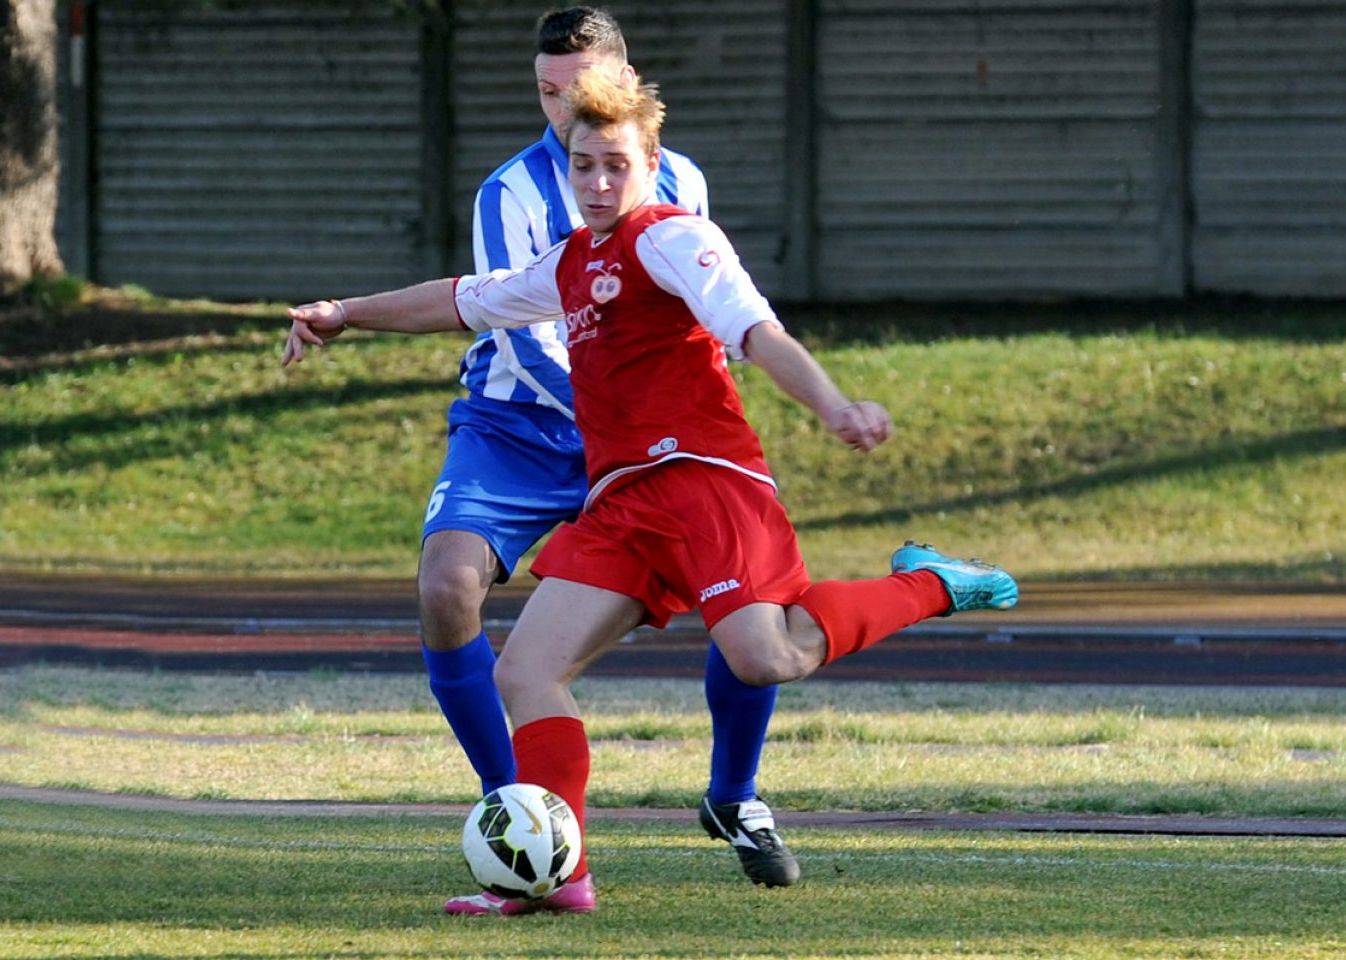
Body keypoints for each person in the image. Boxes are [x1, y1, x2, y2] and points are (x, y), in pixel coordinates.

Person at [286, 69, 1018, 916]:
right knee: (526, 671)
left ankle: (931, 583)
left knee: (765, 656)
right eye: (583, 166)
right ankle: (559, 877)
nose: (598, 184)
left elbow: (757, 330)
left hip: (706, 480)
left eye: (616, 166)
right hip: (623, 505)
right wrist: (345, 313)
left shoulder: (674, 236)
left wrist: (835, 404)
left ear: (651, 162)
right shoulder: (567, 263)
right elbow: (463, 301)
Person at [283, 7, 800, 904]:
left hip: (642, 439)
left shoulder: (682, 183)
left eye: (577, 88)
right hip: (519, 427)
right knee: (447, 588)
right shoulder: (510, 193)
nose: (560, 109)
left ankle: (736, 795)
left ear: (624, 87)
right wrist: (346, 310)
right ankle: (519, 813)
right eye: (545, 92)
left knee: (746, 591)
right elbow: (515, 326)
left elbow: (700, 323)